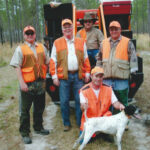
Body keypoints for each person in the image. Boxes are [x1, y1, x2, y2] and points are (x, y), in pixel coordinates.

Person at [10, 26, 50, 144]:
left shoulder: (42, 47)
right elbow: (17, 66)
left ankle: (38, 128)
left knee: (39, 107)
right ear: (24, 36)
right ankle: (25, 133)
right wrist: (22, 83)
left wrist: (44, 76)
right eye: (27, 34)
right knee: (25, 110)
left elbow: (47, 61)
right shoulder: (20, 49)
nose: (29, 35)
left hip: (40, 83)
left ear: (35, 34)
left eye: (31, 33)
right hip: (27, 84)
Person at [49, 19, 91, 131]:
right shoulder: (57, 42)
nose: (67, 29)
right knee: (64, 101)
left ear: (73, 28)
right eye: (65, 27)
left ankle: (79, 122)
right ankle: (66, 123)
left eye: (69, 27)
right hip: (64, 77)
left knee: (79, 100)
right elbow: (53, 60)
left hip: (78, 76)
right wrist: (54, 76)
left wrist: (87, 72)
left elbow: (86, 58)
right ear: (62, 30)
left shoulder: (81, 41)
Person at [96, 21, 138, 109]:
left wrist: (133, 73)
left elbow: (133, 58)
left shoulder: (128, 42)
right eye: (111, 29)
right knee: (106, 105)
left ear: (120, 30)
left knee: (123, 106)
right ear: (109, 31)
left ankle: (123, 121)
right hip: (106, 80)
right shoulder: (103, 43)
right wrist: (98, 72)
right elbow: (99, 59)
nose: (113, 31)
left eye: (116, 29)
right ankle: (108, 121)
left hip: (121, 80)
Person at [79, 66, 125, 137]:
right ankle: (98, 133)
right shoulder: (83, 90)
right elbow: (82, 106)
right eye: (96, 76)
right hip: (91, 121)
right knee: (82, 141)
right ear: (91, 76)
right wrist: (84, 106)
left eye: (100, 77)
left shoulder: (108, 88)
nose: (98, 79)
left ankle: (103, 133)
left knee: (108, 116)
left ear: (103, 78)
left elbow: (115, 103)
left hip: (103, 119)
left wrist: (120, 106)